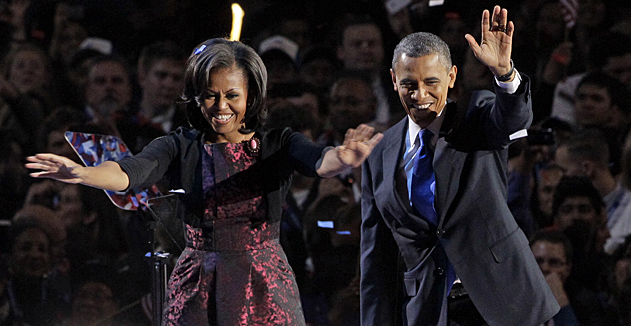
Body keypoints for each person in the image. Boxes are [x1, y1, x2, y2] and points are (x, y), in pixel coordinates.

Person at [26, 38, 382, 325]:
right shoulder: (179, 144)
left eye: (232, 95)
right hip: (199, 282)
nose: (220, 105)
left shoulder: (279, 143)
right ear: (197, 96)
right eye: (210, 94)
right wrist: (83, 174)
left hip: (264, 283)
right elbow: (129, 172)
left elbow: (321, 160)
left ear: (252, 96)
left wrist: (344, 158)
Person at [360, 6, 559, 326]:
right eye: (409, 83)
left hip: (507, 303)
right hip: (432, 310)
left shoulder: (475, 116)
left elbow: (514, 119)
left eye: (431, 82)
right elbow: (377, 260)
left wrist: (504, 74)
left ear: (451, 77)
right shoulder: (379, 154)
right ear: (394, 79)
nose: (420, 95)